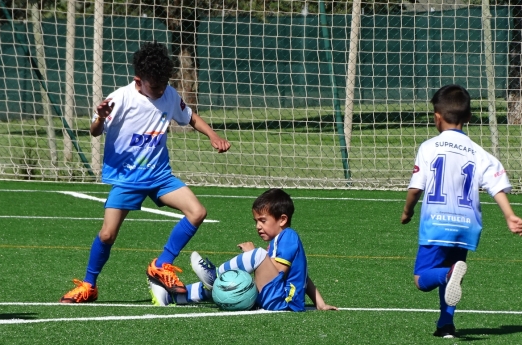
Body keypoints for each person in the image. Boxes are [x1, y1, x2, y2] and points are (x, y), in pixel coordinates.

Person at [60, 41, 230, 303]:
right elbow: (94, 132)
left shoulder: (169, 95)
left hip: (160, 177)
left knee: (198, 212)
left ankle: (161, 265)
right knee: (107, 234)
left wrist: (213, 135)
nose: (161, 90)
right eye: (155, 86)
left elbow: (190, 116)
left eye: (164, 84)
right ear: (138, 80)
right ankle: (89, 285)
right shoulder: (121, 98)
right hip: (127, 180)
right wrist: (101, 117)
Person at [401, 84, 522, 338]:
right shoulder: (479, 153)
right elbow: (496, 185)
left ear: (436, 117)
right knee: (453, 273)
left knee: (422, 278)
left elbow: (416, 188)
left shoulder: (428, 147)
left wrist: (407, 211)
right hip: (466, 226)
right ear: (468, 118)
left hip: (436, 223)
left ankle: (446, 276)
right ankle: (446, 325)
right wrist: (510, 215)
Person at [149, 188, 337, 311]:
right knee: (229, 285)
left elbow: (280, 271)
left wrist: (252, 256)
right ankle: (177, 296)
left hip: (281, 301)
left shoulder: (288, 237)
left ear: (282, 220)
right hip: (276, 297)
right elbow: (304, 276)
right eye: (256, 221)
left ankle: (214, 274)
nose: (258, 226)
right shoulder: (278, 241)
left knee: (258, 255)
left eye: (263, 221)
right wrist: (320, 303)